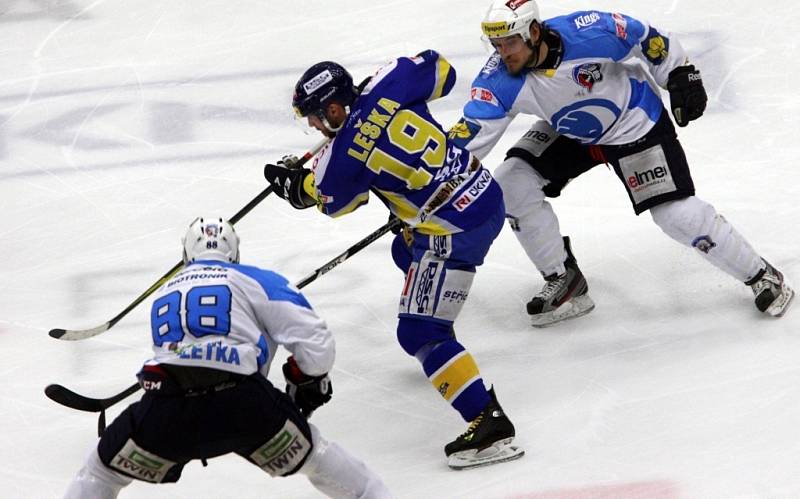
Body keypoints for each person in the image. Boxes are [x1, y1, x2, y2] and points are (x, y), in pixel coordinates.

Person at [449, 0, 794, 326]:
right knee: (511, 184)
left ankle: (762, 276)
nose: (502, 53)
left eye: (510, 42)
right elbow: (471, 135)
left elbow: (646, 37)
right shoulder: (498, 80)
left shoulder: (589, 31)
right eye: (495, 44)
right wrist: (427, 182)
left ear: (534, 32)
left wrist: (680, 72)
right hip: (573, 133)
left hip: (635, 124)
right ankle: (563, 278)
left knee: (676, 215)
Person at [263, 51, 524, 469]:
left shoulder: (339, 161)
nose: (313, 126)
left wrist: (297, 184)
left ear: (334, 108)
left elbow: (335, 203)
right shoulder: (393, 79)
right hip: (484, 193)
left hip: (455, 231)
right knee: (404, 248)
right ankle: (446, 347)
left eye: (315, 117)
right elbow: (444, 71)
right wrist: (374, 104)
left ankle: (488, 422)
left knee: (419, 332)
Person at [64, 217, 393, 499]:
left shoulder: (164, 292)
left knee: (101, 470)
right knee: (316, 457)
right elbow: (317, 345)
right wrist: (306, 377)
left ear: (185, 255)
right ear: (234, 254)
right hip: (245, 408)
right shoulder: (257, 279)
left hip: (168, 409)